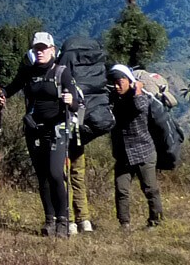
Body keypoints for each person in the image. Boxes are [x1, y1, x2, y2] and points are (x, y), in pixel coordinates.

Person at [0, 31, 81, 238]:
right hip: (34, 130)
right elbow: (10, 89)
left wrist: (71, 101)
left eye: (43, 48)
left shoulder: (62, 73)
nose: (40, 52)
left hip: (57, 129)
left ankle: (63, 220)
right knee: (42, 177)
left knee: (55, 174)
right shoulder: (27, 72)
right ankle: (49, 220)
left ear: (52, 50)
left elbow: (76, 103)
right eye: (36, 48)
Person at [56, 35, 109, 235]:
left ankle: (69, 220)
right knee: (78, 175)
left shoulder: (62, 68)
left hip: (64, 129)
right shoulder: (95, 69)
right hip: (81, 128)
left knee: (64, 175)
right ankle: (84, 220)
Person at [108, 64, 164, 230]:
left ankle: (156, 221)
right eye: (115, 83)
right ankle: (124, 223)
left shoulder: (140, 96)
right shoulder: (114, 98)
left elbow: (140, 108)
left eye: (120, 82)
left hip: (143, 151)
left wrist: (137, 88)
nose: (117, 86)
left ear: (129, 81)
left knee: (150, 189)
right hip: (123, 154)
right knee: (121, 189)